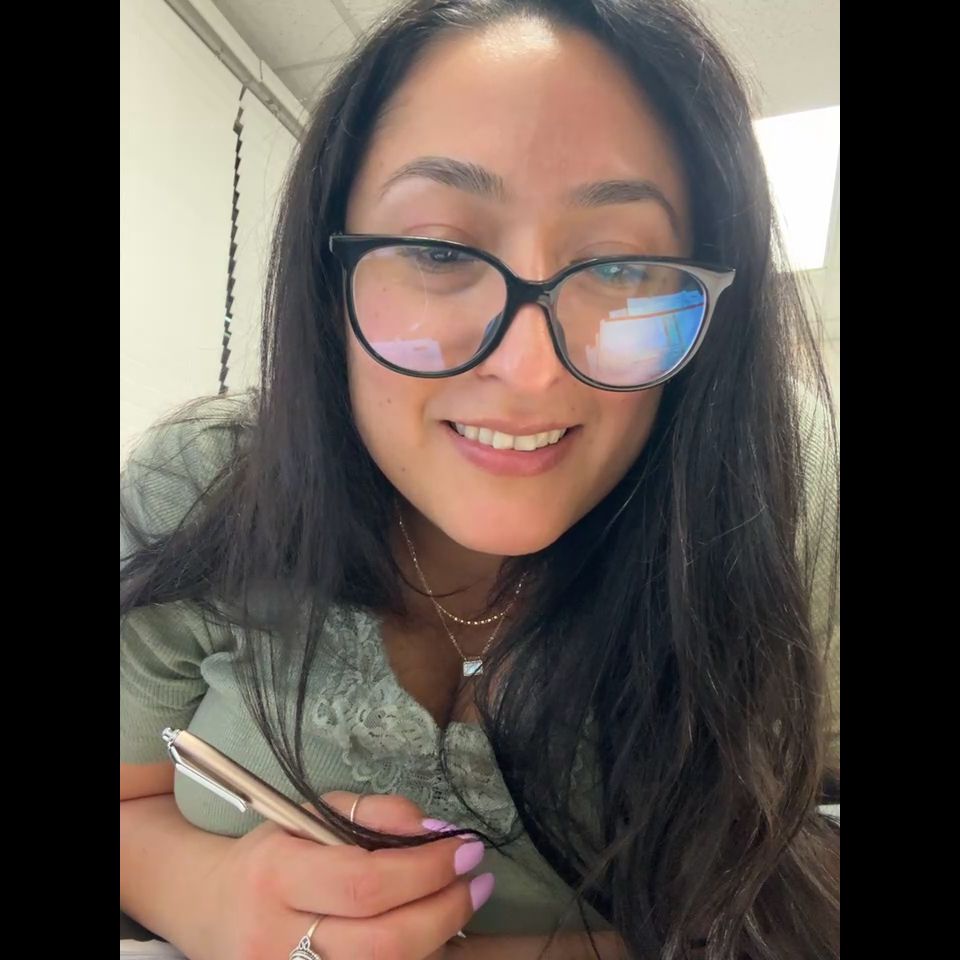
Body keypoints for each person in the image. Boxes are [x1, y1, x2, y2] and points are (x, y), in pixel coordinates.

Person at [120, 1, 840, 958]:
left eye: (622, 265)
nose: (530, 370)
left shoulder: (779, 494)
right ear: (326, 276)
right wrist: (209, 895)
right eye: (438, 251)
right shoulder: (209, 480)